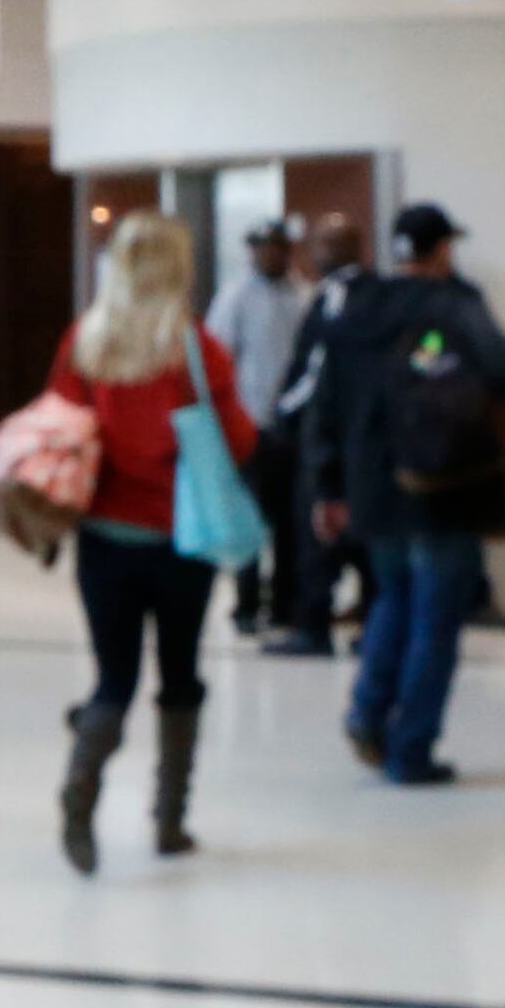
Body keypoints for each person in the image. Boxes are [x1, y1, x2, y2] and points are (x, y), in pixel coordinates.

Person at [49, 212, 259, 873]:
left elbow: (59, 426)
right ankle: (169, 822)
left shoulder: (86, 342)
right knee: (181, 674)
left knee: (113, 678)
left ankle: (80, 792)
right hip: (181, 539)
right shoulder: (197, 350)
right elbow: (238, 438)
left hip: (104, 538)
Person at [308, 202, 505, 786]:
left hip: (374, 487)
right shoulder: (457, 305)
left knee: (392, 597)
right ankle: (412, 748)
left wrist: (328, 486)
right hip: (443, 483)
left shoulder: (358, 306)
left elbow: (327, 400)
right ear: (444, 249)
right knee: (436, 617)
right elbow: (502, 368)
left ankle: (367, 713)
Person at [259, 213, 370, 658]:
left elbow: (316, 368)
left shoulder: (333, 296)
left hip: (323, 433)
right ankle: (373, 625)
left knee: (316, 532)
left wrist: (283, 416)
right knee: (362, 532)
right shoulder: (379, 294)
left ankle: (313, 626)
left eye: (321, 244)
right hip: (366, 439)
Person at [205, 221, 309, 636]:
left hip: (293, 427)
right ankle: (246, 604)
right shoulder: (235, 297)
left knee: (290, 522)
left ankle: (284, 603)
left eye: (278, 247)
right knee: (249, 517)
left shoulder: (303, 295)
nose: (270, 255)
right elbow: (219, 359)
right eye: (263, 248)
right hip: (251, 426)